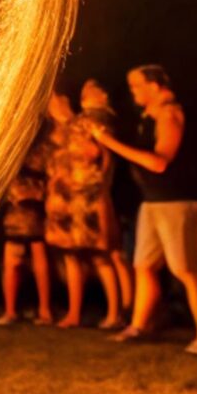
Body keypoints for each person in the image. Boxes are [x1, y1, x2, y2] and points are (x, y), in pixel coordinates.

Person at [95, 65, 197, 356]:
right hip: (153, 201)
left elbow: (160, 162)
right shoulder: (151, 115)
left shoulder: (169, 114)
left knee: (186, 269)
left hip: (176, 200)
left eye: (137, 86)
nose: (133, 92)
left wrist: (109, 143)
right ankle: (138, 327)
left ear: (154, 86)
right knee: (144, 265)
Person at [43, 89, 121, 330]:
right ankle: (74, 313)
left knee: (99, 255)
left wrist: (96, 183)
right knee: (70, 255)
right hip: (65, 200)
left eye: (58, 100)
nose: (54, 106)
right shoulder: (62, 130)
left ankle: (114, 313)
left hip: (85, 197)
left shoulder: (86, 122)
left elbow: (100, 153)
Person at [80, 79, 137, 318]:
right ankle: (124, 307)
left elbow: (101, 154)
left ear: (103, 97)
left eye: (93, 90)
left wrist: (100, 180)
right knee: (109, 252)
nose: (86, 94)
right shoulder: (96, 119)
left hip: (101, 192)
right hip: (98, 191)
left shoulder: (98, 119)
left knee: (111, 250)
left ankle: (124, 308)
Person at [0, 118, 54, 325]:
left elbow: (49, 174)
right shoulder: (12, 147)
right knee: (12, 259)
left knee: (37, 253)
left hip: (35, 206)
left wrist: (36, 193)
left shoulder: (42, 148)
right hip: (16, 209)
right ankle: (11, 311)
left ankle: (44, 311)